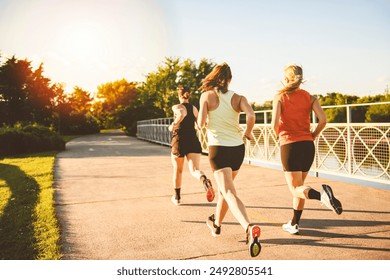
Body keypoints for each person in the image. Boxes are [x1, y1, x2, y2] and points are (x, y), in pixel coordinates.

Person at [197, 63, 261, 258]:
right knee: (225, 191)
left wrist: (207, 122)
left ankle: (248, 228)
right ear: (230, 79)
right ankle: (216, 225)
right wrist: (248, 133)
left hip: (219, 149)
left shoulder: (206, 96)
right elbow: (251, 115)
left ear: (214, 78)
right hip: (237, 149)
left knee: (228, 191)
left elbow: (200, 124)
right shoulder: (239, 98)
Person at [271, 64, 343, 235]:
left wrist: (278, 137)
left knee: (294, 188)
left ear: (286, 78)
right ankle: (295, 224)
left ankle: (322, 196)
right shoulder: (310, 97)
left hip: (290, 145)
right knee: (300, 187)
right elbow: (323, 120)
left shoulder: (279, 97)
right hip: (307, 145)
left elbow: (274, 124)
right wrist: (313, 135)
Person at [169, 85, 215, 206]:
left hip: (179, 140)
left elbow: (181, 114)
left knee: (178, 170)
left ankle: (177, 198)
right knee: (195, 170)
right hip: (192, 140)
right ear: (189, 95)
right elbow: (202, 124)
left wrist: (173, 124)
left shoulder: (177, 106)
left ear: (179, 95)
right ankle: (204, 179)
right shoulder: (194, 108)